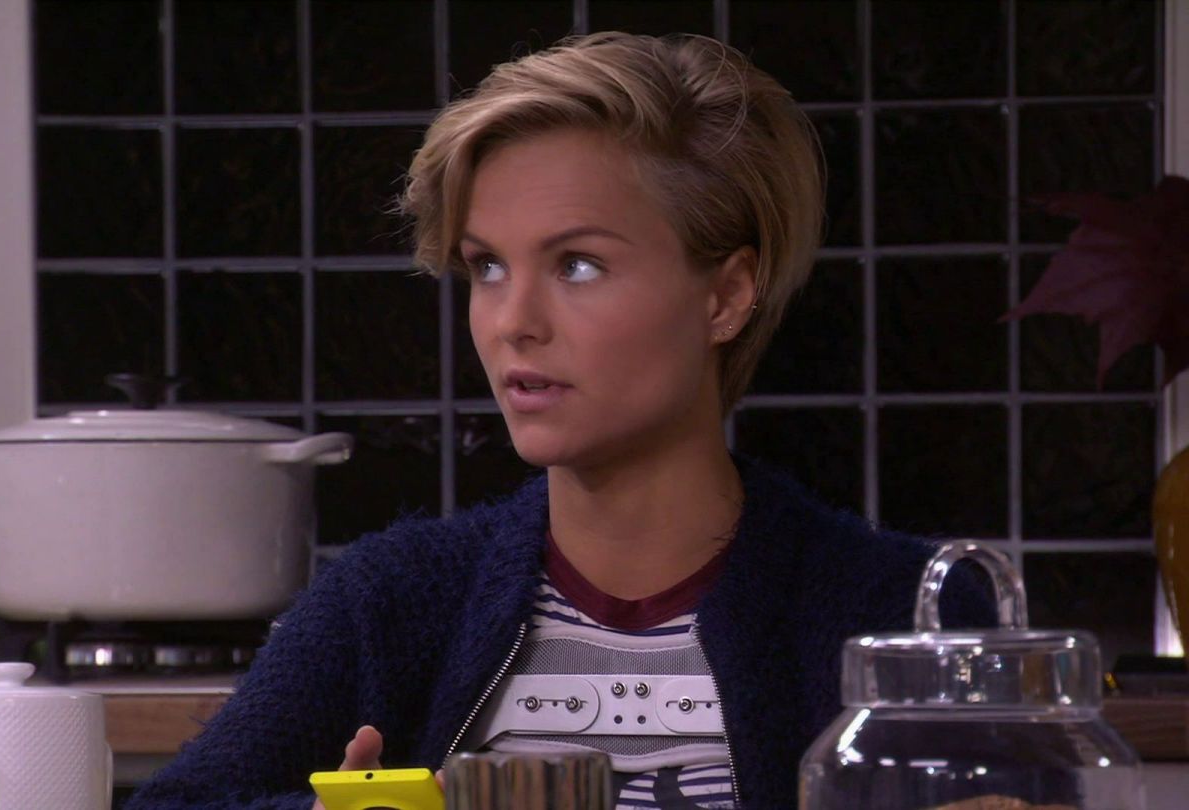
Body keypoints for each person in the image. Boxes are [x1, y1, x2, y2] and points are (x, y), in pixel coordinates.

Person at [126, 31, 992, 810]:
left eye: (577, 265)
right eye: (488, 267)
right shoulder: (391, 599)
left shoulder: (906, 611)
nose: (513, 322)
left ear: (726, 295)